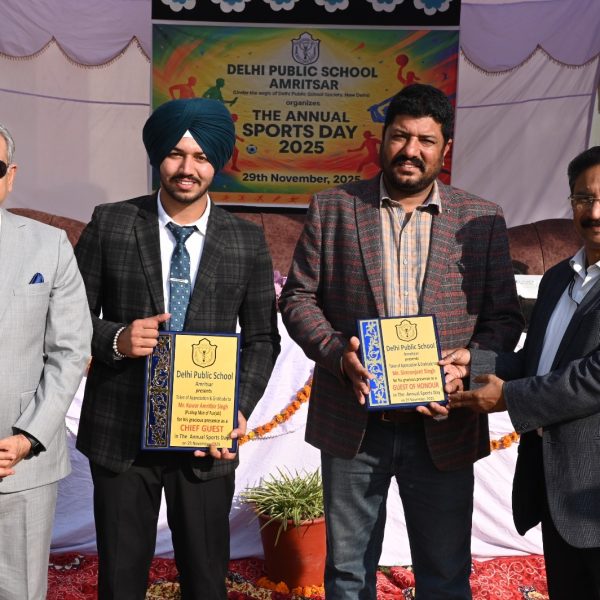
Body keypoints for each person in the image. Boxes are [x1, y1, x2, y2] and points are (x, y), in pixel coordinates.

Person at [279, 83, 524, 599]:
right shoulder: (334, 208)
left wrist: (468, 364)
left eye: (426, 141)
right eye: (400, 137)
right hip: (354, 422)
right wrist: (337, 355)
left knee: (445, 574)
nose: (411, 151)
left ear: (445, 148)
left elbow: (503, 317)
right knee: (348, 575)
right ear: (382, 139)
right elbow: (298, 298)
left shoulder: (480, 219)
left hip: (444, 423)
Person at [74, 98, 280, 600]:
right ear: (157, 156)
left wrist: (237, 407)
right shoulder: (112, 223)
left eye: (201, 157)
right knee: (120, 581)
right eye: (176, 153)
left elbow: (262, 339)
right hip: (121, 433)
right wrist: (117, 339)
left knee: (206, 581)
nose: (188, 168)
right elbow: (69, 316)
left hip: (205, 433)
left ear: (217, 163)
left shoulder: (245, 240)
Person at [447, 146, 600, 599]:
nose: (594, 212)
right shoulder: (558, 278)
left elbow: (592, 378)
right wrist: (474, 363)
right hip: (557, 487)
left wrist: (509, 398)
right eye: (583, 198)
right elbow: (537, 359)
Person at [0, 123, 92, 600]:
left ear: (10, 175)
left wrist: (27, 437)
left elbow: (70, 350)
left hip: (22, 462)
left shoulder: (49, 245)